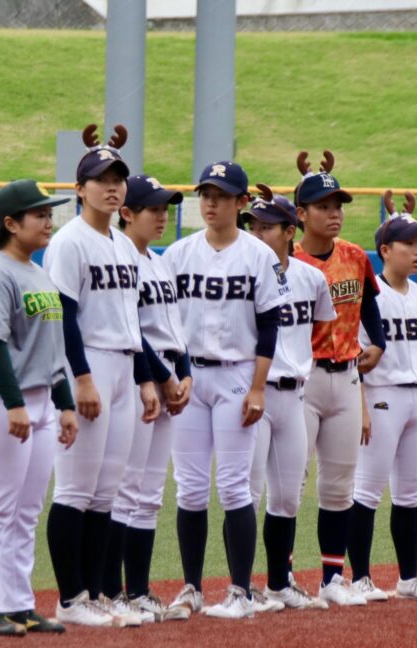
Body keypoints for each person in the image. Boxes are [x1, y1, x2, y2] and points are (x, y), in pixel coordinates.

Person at [42, 124, 162, 628]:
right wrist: (83, 378)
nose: (112, 188)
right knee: (75, 489)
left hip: (123, 366)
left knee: (107, 490)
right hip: (88, 362)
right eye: (101, 180)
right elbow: (64, 317)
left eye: (117, 179)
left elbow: (132, 320)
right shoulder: (69, 242)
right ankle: (70, 598)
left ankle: (96, 593)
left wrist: (144, 379)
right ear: (79, 189)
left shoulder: (123, 245)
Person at [162, 161, 289, 620]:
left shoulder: (258, 255)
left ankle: (240, 591)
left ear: (241, 202)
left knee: (235, 487)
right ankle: (192, 588)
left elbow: (270, 326)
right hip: (190, 375)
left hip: (237, 374)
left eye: (221, 195)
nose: (211, 203)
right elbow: (165, 323)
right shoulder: (177, 254)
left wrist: (258, 388)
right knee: (190, 488)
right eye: (206, 194)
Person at [0, 180, 78, 636]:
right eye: (39, 214)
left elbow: (51, 350)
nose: (48, 221)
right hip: (0, 401)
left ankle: (15, 601)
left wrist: (64, 404)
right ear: (10, 223)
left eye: (49, 213)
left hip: (41, 401)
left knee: (25, 511)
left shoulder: (36, 271)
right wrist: (13, 404)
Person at [291, 150, 387, 606]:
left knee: (339, 483)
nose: (335, 213)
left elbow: (369, 304)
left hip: (346, 377)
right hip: (302, 379)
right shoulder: (286, 260)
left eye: (338, 206)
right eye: (324, 206)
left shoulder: (354, 256)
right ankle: (282, 577)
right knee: (290, 482)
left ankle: (332, 579)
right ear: (301, 214)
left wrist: (379, 342)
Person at [346, 192, 417, 602]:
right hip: (380, 397)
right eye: (409, 243)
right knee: (367, 492)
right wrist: (360, 409)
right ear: (385, 250)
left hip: (415, 401)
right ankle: (360, 578)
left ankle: (409, 579)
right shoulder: (368, 296)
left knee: (409, 496)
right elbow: (354, 358)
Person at [101, 175, 192, 621]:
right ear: (127, 213)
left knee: (149, 493)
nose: (162, 216)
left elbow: (175, 326)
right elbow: (131, 328)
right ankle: (110, 590)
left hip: (168, 378)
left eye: (165, 209)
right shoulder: (122, 261)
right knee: (125, 488)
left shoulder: (159, 261)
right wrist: (163, 376)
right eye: (153, 209)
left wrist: (185, 372)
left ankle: (137, 589)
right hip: (141, 379)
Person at [243, 185, 336, 611]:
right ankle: (241, 586)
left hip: (294, 395)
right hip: (254, 393)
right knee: (247, 494)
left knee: (286, 498)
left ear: (288, 231)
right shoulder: (243, 274)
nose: (258, 233)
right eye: (254, 226)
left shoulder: (311, 278)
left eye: (267, 227)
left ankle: (279, 584)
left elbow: (318, 327)